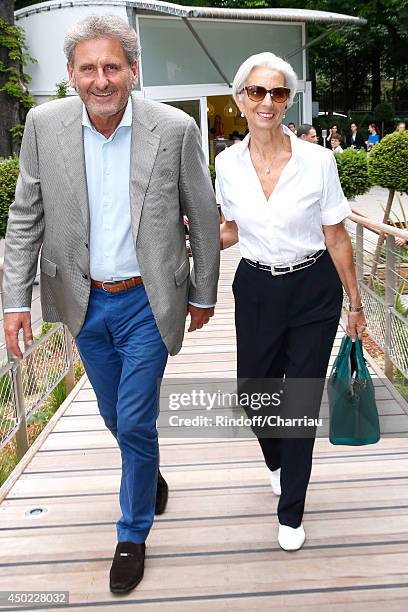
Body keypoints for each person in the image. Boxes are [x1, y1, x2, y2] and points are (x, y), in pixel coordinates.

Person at [2, 15, 220, 594]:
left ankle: (131, 533)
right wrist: (13, 302)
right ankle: (148, 475)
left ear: (132, 70)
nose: (102, 79)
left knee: (135, 416)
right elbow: (25, 217)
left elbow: (202, 217)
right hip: (82, 301)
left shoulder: (172, 128)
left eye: (112, 67)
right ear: (70, 74)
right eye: (88, 68)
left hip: (148, 301)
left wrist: (202, 292)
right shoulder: (43, 125)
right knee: (116, 416)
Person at [215, 52, 365, 552]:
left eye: (277, 93)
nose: (266, 101)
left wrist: (357, 305)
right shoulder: (226, 164)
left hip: (312, 289)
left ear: (288, 101)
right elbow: (232, 230)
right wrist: (183, 243)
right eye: (256, 92)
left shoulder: (318, 161)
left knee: (297, 402)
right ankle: (277, 461)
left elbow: (337, 235)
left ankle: (291, 511)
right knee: (254, 398)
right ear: (241, 100)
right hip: (256, 287)